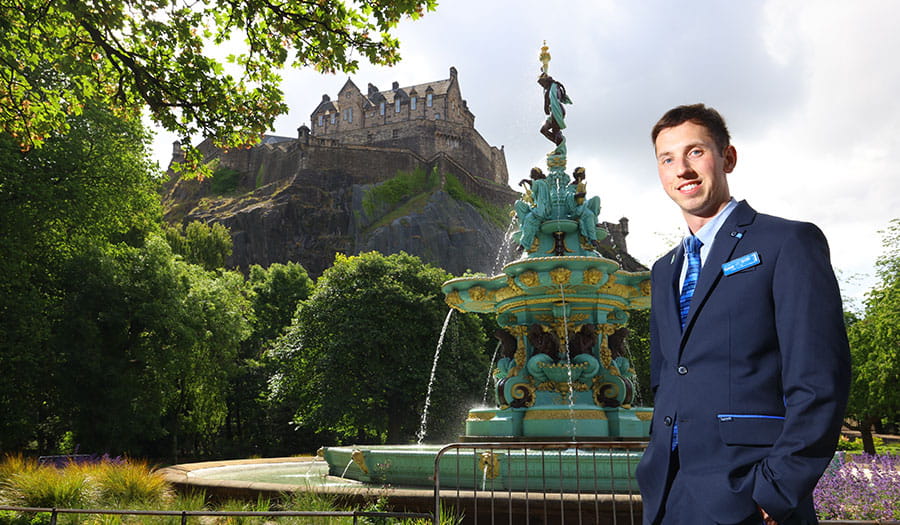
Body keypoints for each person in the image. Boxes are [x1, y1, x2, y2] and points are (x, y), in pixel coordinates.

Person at [635, 104, 850, 525]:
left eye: (695, 152)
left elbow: (820, 379)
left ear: (727, 157)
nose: (682, 169)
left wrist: (776, 490)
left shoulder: (787, 242)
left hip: (752, 496)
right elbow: (666, 378)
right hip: (667, 495)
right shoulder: (665, 270)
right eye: (667, 159)